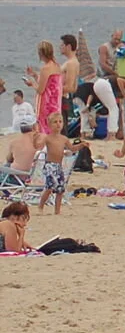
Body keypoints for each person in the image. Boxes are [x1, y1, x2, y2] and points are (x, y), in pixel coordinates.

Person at [28, 43, 67, 214]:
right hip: (55, 105)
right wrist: (35, 75)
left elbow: (41, 89)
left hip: (46, 106)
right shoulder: (57, 67)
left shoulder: (46, 68)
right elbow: (51, 85)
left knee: (43, 136)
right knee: (53, 135)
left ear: (41, 53)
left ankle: (41, 169)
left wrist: (31, 84)